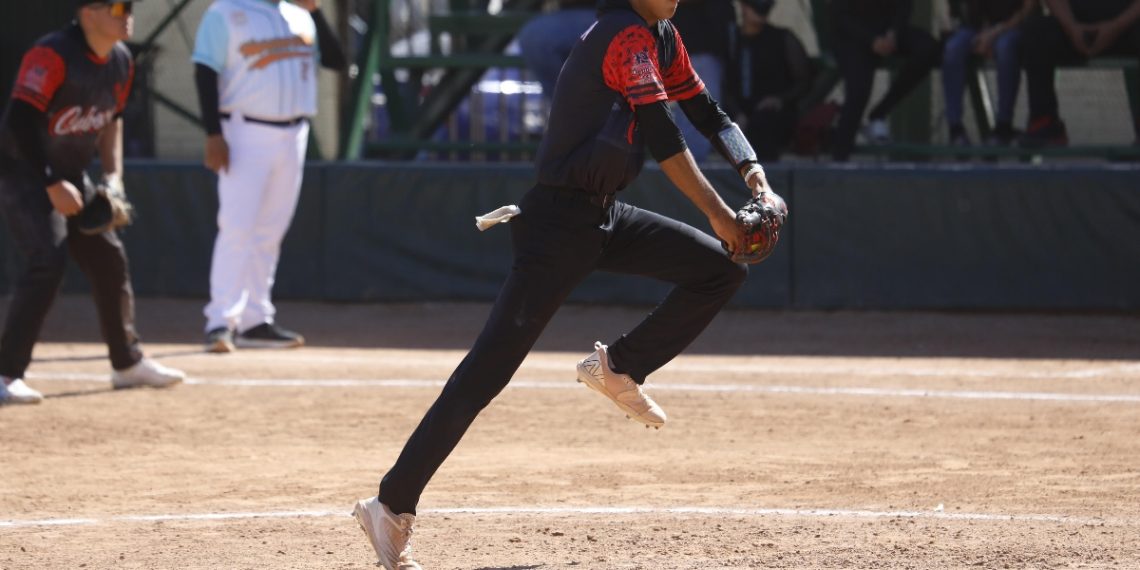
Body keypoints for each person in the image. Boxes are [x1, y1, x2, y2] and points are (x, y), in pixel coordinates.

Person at [350, 0, 786, 567]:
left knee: (721, 271)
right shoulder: (625, 37)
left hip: (603, 216)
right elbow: (663, 136)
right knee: (485, 372)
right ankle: (388, 506)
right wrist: (721, 215)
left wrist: (755, 176)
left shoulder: (661, 35)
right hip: (555, 226)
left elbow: (708, 112)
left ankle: (619, 366)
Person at [0, 0, 186, 406]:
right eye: (118, 6)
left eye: (130, 6)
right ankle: (5, 372)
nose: (127, 14)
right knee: (46, 262)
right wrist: (50, 182)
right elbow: (18, 121)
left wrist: (113, 176)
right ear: (88, 13)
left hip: (70, 174)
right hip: (22, 171)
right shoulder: (52, 53)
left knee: (108, 259)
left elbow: (112, 120)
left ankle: (127, 363)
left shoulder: (120, 60)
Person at [192, 0, 346, 353]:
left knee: (271, 230)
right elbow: (204, 71)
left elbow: (336, 61)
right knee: (237, 226)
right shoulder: (226, 11)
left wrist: (316, 11)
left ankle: (255, 319)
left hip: (294, 133)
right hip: (244, 130)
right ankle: (220, 321)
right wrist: (213, 134)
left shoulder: (300, 14)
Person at [829, 0, 941, 161]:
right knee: (859, 89)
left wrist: (893, 33)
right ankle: (840, 153)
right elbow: (839, 16)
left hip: (887, 30)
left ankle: (879, 113)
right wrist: (872, 40)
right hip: (851, 37)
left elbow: (904, 6)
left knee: (928, 49)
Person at [1018, 0, 1140, 147]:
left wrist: (1115, 27)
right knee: (1036, 30)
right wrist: (1072, 27)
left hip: (1127, 25)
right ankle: (1044, 123)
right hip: (1076, 27)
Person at [941, 0, 1036, 147]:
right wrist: (985, 35)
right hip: (980, 28)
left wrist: (995, 32)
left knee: (1005, 48)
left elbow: (1027, 10)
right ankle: (955, 129)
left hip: (1015, 27)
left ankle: (1003, 126)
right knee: (953, 49)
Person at [727, 0, 813, 161]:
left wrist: (780, 99)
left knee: (763, 125)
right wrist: (737, 112)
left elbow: (804, 80)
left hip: (772, 113)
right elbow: (724, 83)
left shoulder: (782, 38)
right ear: (743, 7)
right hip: (738, 111)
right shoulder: (732, 40)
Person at [670, 0, 739, 162]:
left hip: (714, 47)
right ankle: (693, 170)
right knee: (696, 116)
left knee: (712, 114)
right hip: (693, 48)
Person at [515, 0, 596, 101]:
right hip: (569, 12)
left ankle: (571, 109)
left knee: (536, 36)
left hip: (610, 12)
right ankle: (569, 109)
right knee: (535, 36)